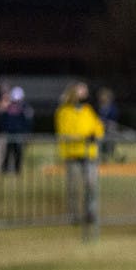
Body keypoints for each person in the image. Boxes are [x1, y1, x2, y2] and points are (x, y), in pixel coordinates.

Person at [54, 81, 105, 230]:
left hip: (89, 154)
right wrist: (84, 137)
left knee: (91, 184)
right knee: (74, 187)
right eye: (82, 91)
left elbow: (98, 127)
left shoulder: (88, 110)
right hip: (72, 155)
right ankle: (74, 215)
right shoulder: (63, 112)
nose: (85, 94)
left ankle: (91, 212)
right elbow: (64, 133)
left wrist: (95, 134)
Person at [0, 86, 34, 174]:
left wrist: (26, 133)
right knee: (8, 152)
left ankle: (17, 169)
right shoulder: (9, 107)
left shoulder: (24, 107)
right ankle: (5, 169)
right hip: (10, 133)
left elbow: (27, 121)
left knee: (18, 152)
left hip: (18, 133)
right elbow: (4, 119)